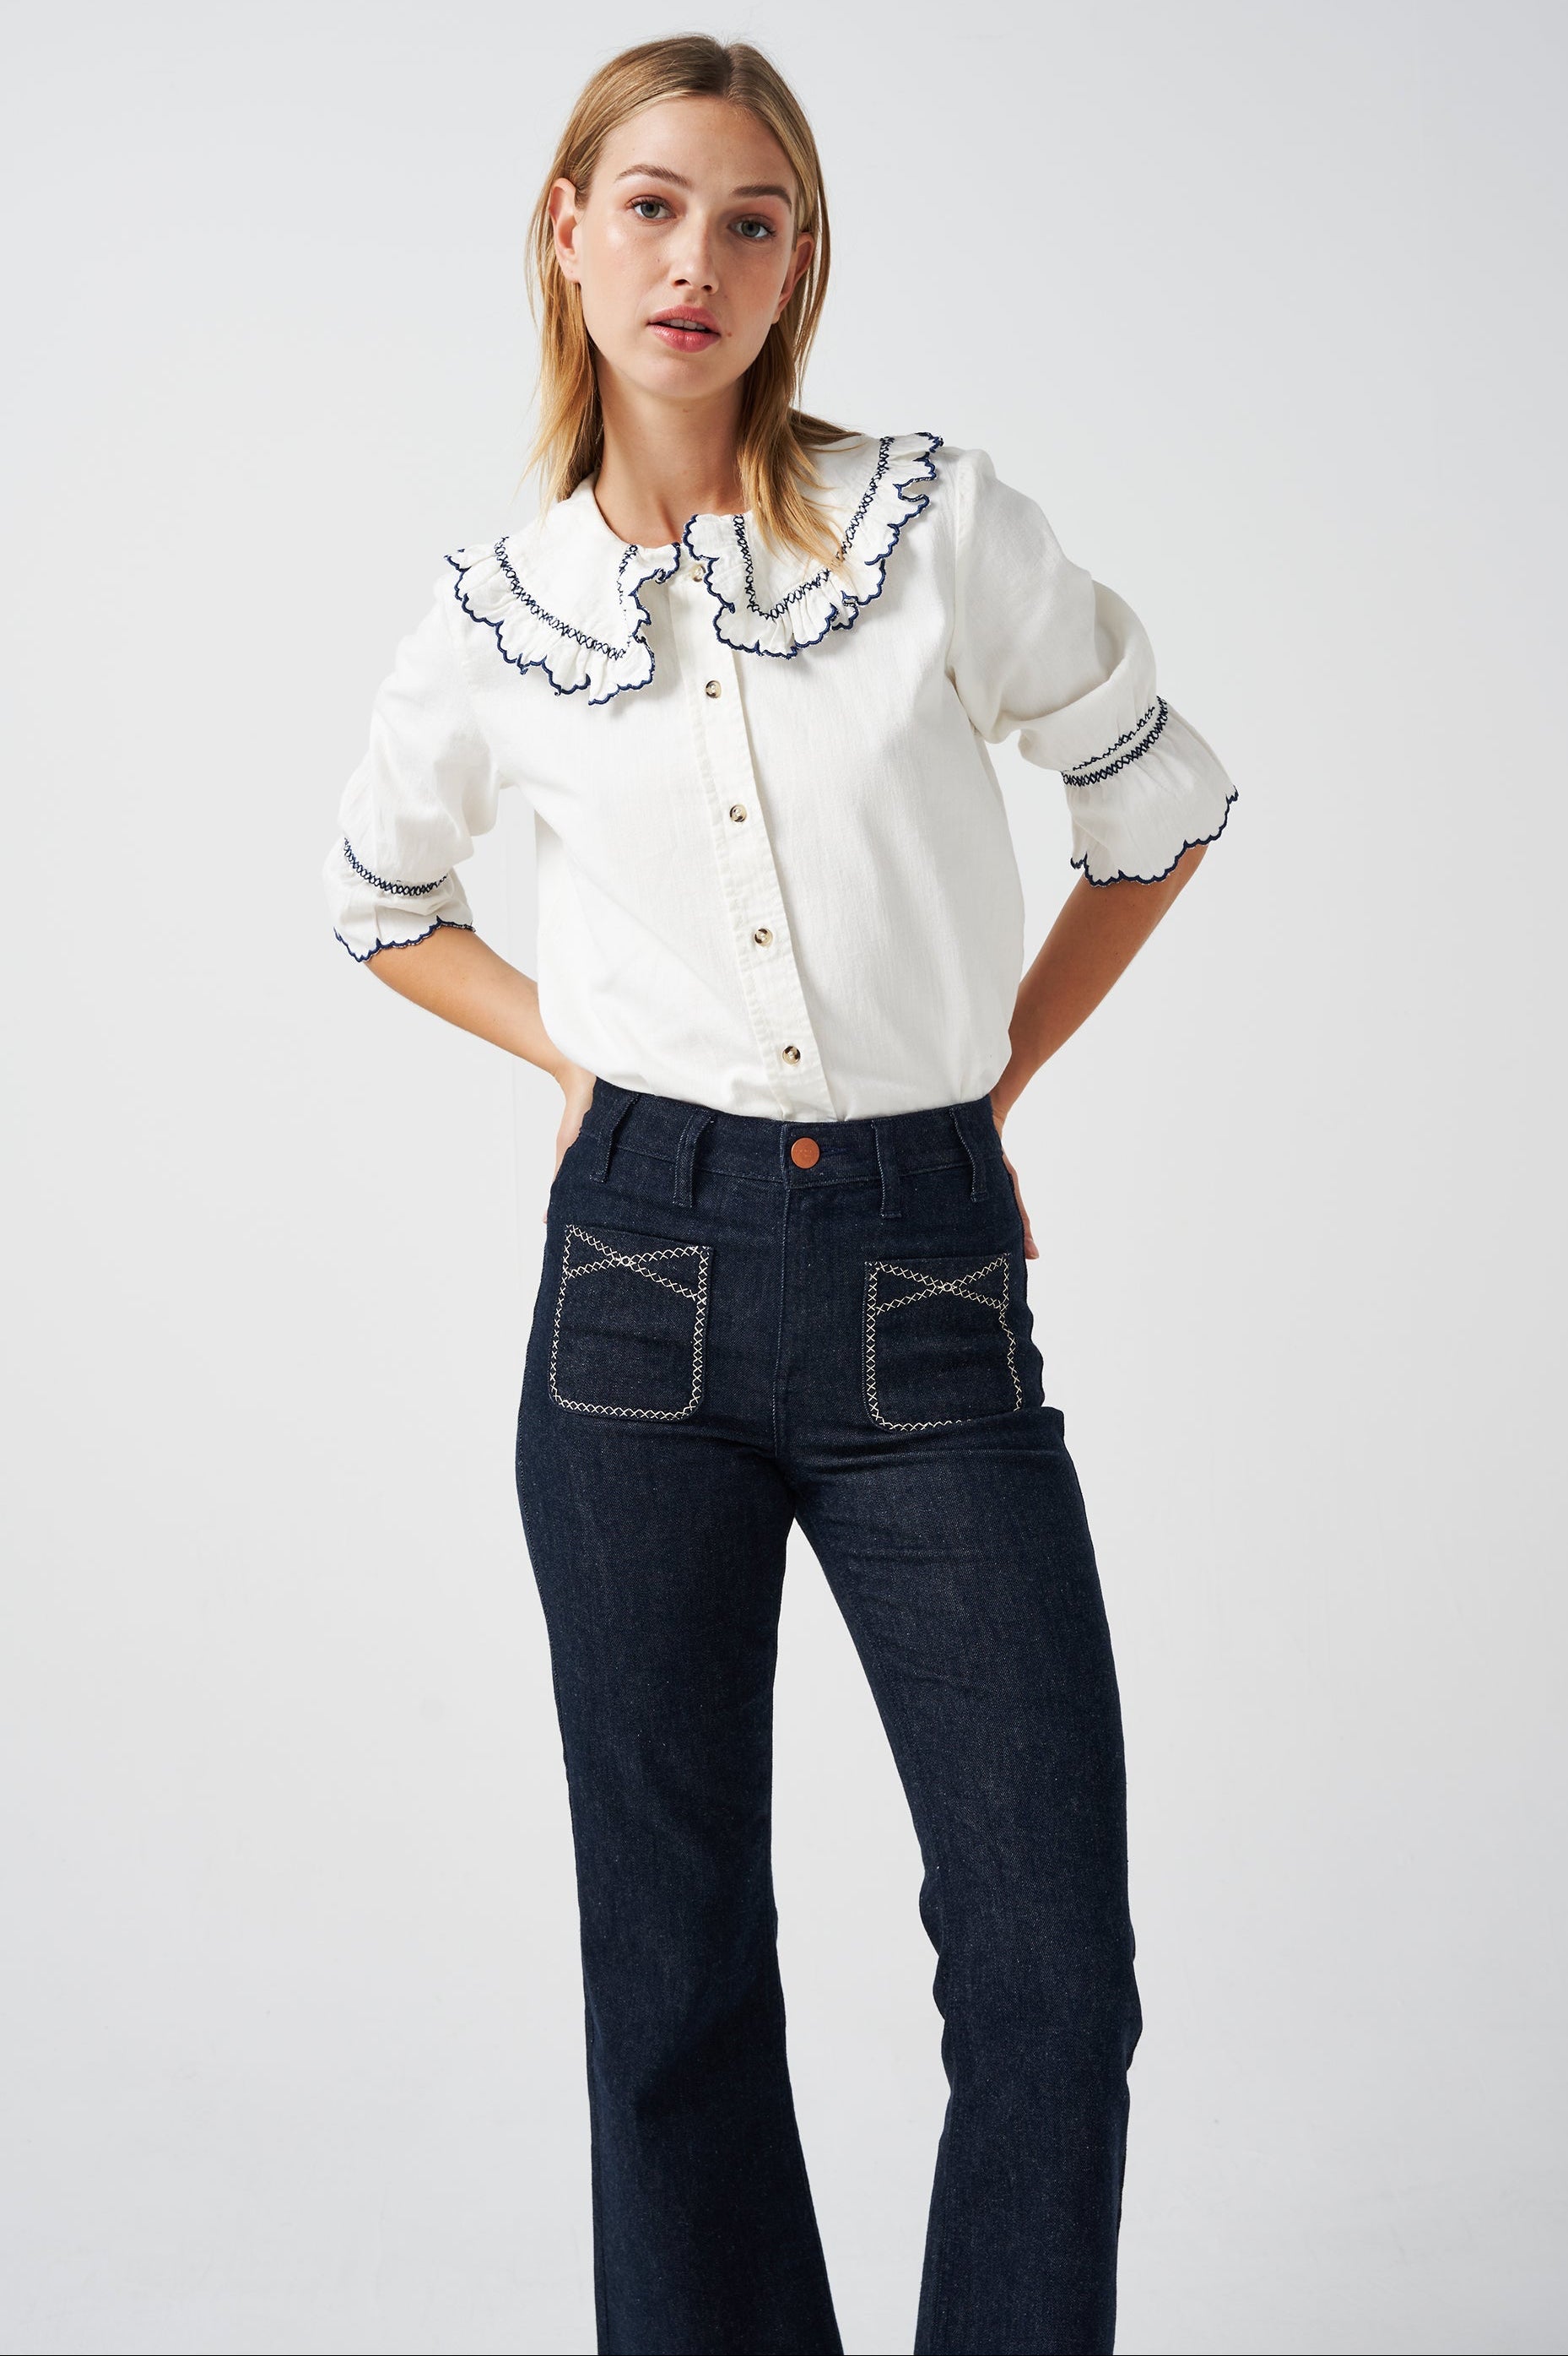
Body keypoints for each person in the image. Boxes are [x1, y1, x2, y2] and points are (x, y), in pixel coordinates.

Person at [322, 33, 1237, 2356]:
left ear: (801, 260)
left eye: (751, 220)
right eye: (649, 206)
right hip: (633, 1285)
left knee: (1047, 1962)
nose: (695, 262)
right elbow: (379, 900)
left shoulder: (934, 528)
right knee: (674, 1971)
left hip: (928, 1272)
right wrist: (578, 1051)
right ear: (567, 229)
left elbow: (1153, 807)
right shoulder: (497, 609)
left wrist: (989, 1084)